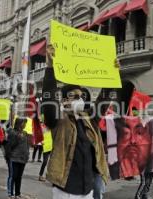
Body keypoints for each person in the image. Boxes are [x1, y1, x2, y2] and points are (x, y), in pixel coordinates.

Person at [42, 45, 108, 199]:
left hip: (88, 190)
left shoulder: (90, 119)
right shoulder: (58, 120)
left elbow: (103, 102)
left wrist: (112, 75)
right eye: (74, 96)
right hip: (66, 191)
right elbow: (48, 99)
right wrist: (50, 68)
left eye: (81, 97)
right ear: (64, 100)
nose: (79, 99)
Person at [6, 118, 29, 198]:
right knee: (13, 176)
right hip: (14, 158)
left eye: (25, 123)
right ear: (19, 123)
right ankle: (10, 193)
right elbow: (9, 146)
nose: (25, 125)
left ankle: (17, 193)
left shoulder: (25, 133)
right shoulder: (12, 132)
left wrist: (27, 156)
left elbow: (26, 146)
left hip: (22, 159)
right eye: (24, 123)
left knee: (19, 177)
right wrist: (17, 138)